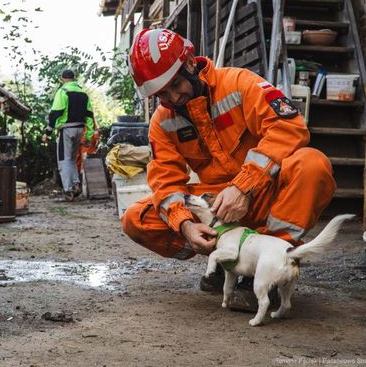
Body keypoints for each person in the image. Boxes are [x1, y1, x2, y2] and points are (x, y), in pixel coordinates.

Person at [122, 28, 336, 310]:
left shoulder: (238, 83)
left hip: (263, 195)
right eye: (162, 94)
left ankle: (269, 260)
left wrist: (243, 187)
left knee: (312, 164)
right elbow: (165, 182)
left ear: (189, 64)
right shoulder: (162, 122)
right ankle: (228, 260)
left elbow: (290, 127)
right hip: (217, 210)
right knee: (136, 218)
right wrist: (186, 225)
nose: (173, 98)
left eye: (176, 86)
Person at [42, 69, 95, 201]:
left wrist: (47, 132)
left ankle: (68, 190)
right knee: (71, 158)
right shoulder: (84, 94)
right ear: (74, 78)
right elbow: (89, 116)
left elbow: (55, 113)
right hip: (79, 130)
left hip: (66, 130)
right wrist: (88, 135)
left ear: (62, 79)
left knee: (64, 160)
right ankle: (76, 184)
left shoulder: (63, 92)